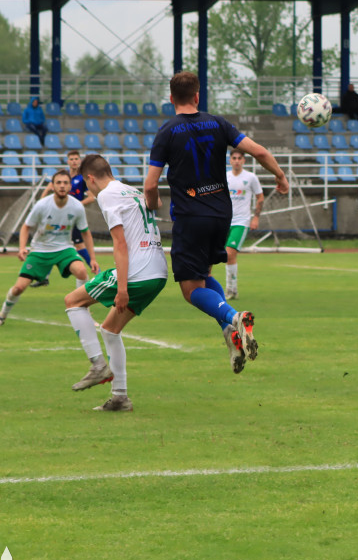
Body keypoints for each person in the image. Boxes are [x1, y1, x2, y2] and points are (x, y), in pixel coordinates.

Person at [144, 71, 288, 374]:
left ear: (171, 99)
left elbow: (150, 184)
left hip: (190, 217)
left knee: (189, 288)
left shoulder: (167, 132)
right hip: (222, 214)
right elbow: (260, 151)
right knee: (204, 275)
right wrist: (280, 175)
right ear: (197, 96)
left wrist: (152, 203)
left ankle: (235, 317)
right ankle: (232, 336)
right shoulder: (219, 123)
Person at [63, 155, 168, 412]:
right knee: (110, 329)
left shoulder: (106, 195)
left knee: (73, 301)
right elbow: (157, 202)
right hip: (158, 272)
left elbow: (120, 244)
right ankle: (120, 397)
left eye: (87, 186)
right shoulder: (130, 189)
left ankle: (98, 365)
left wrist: (121, 289)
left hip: (137, 272)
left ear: (90, 178)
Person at [0, 169, 98, 327]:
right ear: (52, 186)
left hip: (64, 249)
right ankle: (2, 315)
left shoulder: (77, 207)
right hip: (40, 250)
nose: (62, 186)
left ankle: (85, 313)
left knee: (81, 271)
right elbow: (26, 227)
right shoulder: (42, 205)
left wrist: (92, 258)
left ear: (70, 187)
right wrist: (21, 248)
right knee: (19, 287)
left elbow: (86, 233)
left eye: (65, 183)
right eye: (58, 183)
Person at [33, 150, 94, 287]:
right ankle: (45, 277)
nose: (74, 161)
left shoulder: (82, 178)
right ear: (67, 161)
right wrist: (42, 203)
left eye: (76, 159)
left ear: (80, 161)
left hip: (72, 217)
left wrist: (77, 205)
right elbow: (48, 189)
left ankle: (95, 268)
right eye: (71, 159)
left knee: (79, 245)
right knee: (52, 241)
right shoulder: (62, 177)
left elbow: (91, 197)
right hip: (57, 216)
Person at [224, 148, 265, 299]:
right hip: (224, 221)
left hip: (241, 221)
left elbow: (260, 197)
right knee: (221, 255)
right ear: (230, 160)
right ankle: (230, 290)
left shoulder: (251, 177)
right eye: (233, 158)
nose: (236, 161)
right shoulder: (224, 177)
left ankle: (231, 289)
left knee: (229, 253)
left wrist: (256, 217)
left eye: (239, 158)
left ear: (243, 160)